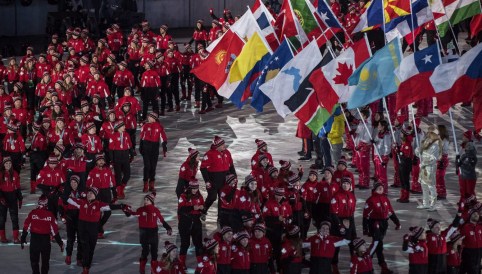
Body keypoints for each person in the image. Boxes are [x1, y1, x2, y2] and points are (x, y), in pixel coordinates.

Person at [67, 187, 127, 274]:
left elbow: (110, 206)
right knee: (86, 248)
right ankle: (85, 268)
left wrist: (121, 206)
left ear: (95, 195)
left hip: (93, 230)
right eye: (88, 193)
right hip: (83, 229)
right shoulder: (81, 202)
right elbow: (68, 199)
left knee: (91, 249)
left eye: (91, 193)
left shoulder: (99, 205)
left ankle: (87, 265)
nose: (89, 194)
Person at [126, 192, 173, 274]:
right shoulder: (140, 210)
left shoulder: (156, 210)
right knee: (145, 251)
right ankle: (142, 268)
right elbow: (132, 215)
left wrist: (168, 228)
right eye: (145, 199)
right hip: (144, 233)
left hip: (153, 233)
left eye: (147, 199)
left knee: (154, 252)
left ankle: (153, 269)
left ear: (152, 201)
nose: (145, 201)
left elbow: (161, 220)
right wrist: (127, 211)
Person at [362, 182, 401, 274]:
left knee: (379, 246)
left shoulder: (385, 199)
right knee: (376, 243)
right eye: (378, 187)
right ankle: (365, 263)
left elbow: (390, 212)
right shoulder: (370, 200)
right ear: (374, 189)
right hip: (375, 223)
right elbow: (365, 216)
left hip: (384, 224)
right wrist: (365, 229)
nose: (380, 189)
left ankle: (383, 267)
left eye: (382, 187)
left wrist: (397, 222)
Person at [20, 195, 64, 274]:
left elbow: (26, 226)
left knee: (34, 262)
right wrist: (60, 243)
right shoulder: (50, 215)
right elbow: (55, 231)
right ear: (47, 204)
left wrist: (23, 238)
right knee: (45, 263)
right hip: (45, 242)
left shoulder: (32, 213)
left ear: (38, 203)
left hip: (34, 241)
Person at [200, 136, 236, 218]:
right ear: (217, 146)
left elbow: (231, 165)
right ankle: (203, 210)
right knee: (212, 197)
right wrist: (207, 181)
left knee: (222, 198)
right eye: (222, 144)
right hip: (213, 180)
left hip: (225, 180)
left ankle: (220, 218)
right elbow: (202, 168)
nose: (224, 146)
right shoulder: (209, 154)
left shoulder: (227, 152)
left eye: (224, 144)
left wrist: (234, 175)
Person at [85, 154, 117, 238]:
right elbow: (88, 185)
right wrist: (88, 196)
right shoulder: (92, 172)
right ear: (96, 162)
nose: (101, 161)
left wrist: (115, 194)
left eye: (102, 160)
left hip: (106, 193)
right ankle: (99, 231)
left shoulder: (108, 171)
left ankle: (98, 226)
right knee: (97, 213)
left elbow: (112, 183)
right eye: (99, 160)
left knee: (108, 212)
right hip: (97, 194)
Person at [178, 179, 204, 269]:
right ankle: (181, 263)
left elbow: (202, 208)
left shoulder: (199, 197)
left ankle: (200, 263)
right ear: (189, 187)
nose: (194, 190)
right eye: (193, 188)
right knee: (185, 244)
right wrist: (193, 207)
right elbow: (181, 209)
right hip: (185, 222)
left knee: (198, 244)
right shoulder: (183, 196)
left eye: (196, 188)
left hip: (196, 222)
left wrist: (202, 209)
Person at [139, 112, 167, 192]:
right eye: (148, 117)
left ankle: (151, 184)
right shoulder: (145, 126)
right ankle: (145, 184)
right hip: (146, 147)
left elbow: (163, 137)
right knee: (147, 166)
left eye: (150, 117)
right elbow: (142, 137)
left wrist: (164, 147)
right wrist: (141, 147)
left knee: (153, 167)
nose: (149, 118)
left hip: (155, 148)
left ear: (154, 118)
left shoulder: (159, 126)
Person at [59, 175, 83, 266]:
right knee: (70, 239)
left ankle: (79, 258)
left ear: (78, 183)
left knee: (80, 240)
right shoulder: (66, 193)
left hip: (80, 219)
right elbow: (60, 205)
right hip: (70, 219)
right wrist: (62, 216)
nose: (73, 184)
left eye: (75, 182)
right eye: (72, 182)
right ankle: (68, 256)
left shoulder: (82, 193)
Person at [415, 128, 441, 211]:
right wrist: (417, 150)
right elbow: (420, 153)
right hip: (423, 168)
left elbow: (433, 159)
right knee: (424, 186)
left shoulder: (435, 145)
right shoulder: (426, 142)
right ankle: (425, 203)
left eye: (431, 133)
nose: (428, 134)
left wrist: (424, 163)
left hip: (429, 169)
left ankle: (433, 205)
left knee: (431, 187)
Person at [109, 121, 133, 199]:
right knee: (118, 176)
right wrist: (112, 160)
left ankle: (121, 188)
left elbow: (130, 146)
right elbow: (111, 149)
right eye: (122, 126)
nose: (124, 127)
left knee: (127, 174)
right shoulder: (113, 136)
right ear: (118, 127)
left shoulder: (126, 134)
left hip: (125, 156)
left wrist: (131, 154)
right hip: (117, 157)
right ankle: (119, 192)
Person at [0, 157, 22, 243]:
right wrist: (1, 197)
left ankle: (16, 238)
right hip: (3, 197)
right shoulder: (1, 174)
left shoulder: (15, 174)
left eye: (9, 163)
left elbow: (18, 187)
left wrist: (20, 198)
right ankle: (2, 237)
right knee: (2, 218)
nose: (8, 165)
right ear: (3, 164)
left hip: (12, 197)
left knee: (14, 218)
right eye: (6, 163)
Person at [459, 207, 482, 274]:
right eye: (474, 214)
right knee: (470, 269)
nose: (476, 215)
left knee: (478, 268)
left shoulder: (480, 227)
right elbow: (459, 240)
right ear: (470, 216)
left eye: (477, 214)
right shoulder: (465, 228)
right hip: (469, 252)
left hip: (479, 251)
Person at [456, 130, 478, 198]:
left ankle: (470, 205)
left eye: (464, 136)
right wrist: (457, 166)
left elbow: (469, 161)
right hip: (462, 172)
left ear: (468, 138)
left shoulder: (470, 147)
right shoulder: (462, 146)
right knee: (463, 189)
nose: (463, 137)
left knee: (469, 191)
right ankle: (463, 204)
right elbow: (459, 157)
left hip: (467, 173)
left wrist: (461, 162)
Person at [354, 109, 372, 189]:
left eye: (361, 114)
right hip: (358, 147)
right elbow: (358, 134)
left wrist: (360, 145)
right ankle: (361, 181)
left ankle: (365, 183)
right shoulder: (361, 123)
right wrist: (353, 132)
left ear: (365, 116)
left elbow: (367, 138)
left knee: (364, 166)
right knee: (359, 165)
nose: (359, 116)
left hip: (364, 148)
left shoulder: (368, 125)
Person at [373, 120, 391, 194]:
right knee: (378, 174)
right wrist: (374, 141)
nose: (378, 126)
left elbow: (387, 147)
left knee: (382, 175)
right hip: (377, 155)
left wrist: (385, 157)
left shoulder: (386, 135)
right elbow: (377, 141)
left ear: (383, 127)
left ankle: (384, 190)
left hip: (382, 157)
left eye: (379, 125)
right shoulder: (379, 133)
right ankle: (379, 189)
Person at [396, 126, 414, 203]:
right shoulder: (403, 143)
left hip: (405, 164)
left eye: (402, 133)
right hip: (402, 164)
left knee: (405, 180)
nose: (400, 134)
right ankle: (402, 195)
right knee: (402, 181)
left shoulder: (407, 144)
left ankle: (406, 197)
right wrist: (398, 148)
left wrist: (399, 152)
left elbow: (406, 155)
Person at [435, 125, 449, 200]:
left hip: (442, 160)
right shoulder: (439, 139)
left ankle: (442, 193)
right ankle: (439, 192)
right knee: (437, 176)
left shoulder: (445, 141)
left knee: (440, 177)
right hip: (438, 159)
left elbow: (444, 151)